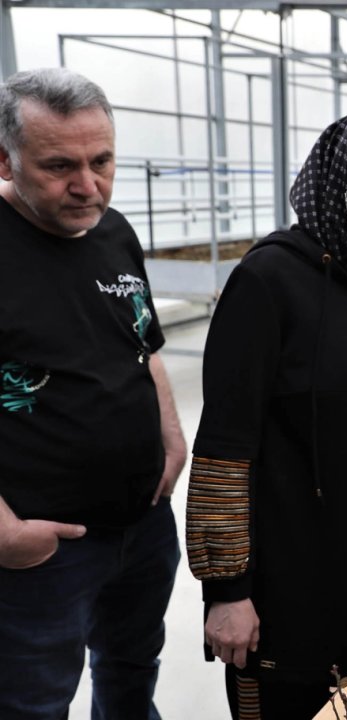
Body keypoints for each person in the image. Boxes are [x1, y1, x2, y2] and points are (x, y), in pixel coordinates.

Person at [187, 108, 347, 718]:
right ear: (342, 182)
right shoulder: (266, 283)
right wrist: (226, 592)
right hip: (286, 584)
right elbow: (225, 447)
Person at [0, 68, 186, 719]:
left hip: (143, 523)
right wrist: (6, 533)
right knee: (32, 700)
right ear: (5, 158)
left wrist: (169, 436)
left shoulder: (114, 232)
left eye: (101, 160)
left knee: (131, 673)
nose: (87, 185)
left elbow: (143, 340)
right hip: (43, 549)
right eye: (58, 166)